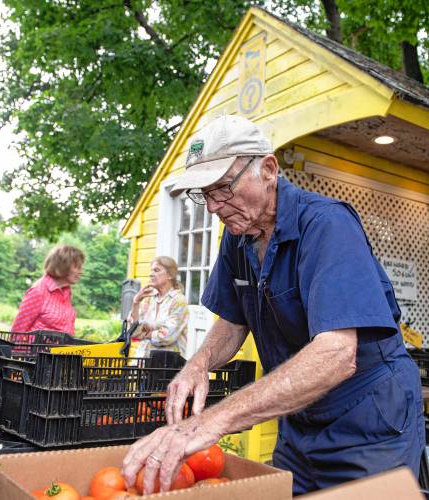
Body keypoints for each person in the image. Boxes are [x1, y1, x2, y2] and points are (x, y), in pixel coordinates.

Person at [121, 115, 424, 496]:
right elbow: (233, 321)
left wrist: (213, 421)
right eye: (205, 194)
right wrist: (198, 364)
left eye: (224, 188)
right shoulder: (237, 238)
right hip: (299, 417)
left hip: (368, 421)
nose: (214, 206)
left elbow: (336, 354)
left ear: (267, 169)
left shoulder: (328, 225)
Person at [11, 245, 84, 335]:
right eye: (77, 267)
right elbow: (17, 333)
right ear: (63, 265)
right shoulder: (38, 291)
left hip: (60, 349)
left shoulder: (66, 291)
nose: (81, 272)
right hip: (37, 349)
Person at [128, 256, 188, 359]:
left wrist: (145, 334)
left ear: (170, 275)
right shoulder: (149, 299)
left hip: (166, 366)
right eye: (151, 270)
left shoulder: (178, 301)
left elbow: (166, 336)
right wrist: (136, 303)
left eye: (156, 270)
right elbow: (133, 332)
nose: (150, 274)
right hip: (142, 362)